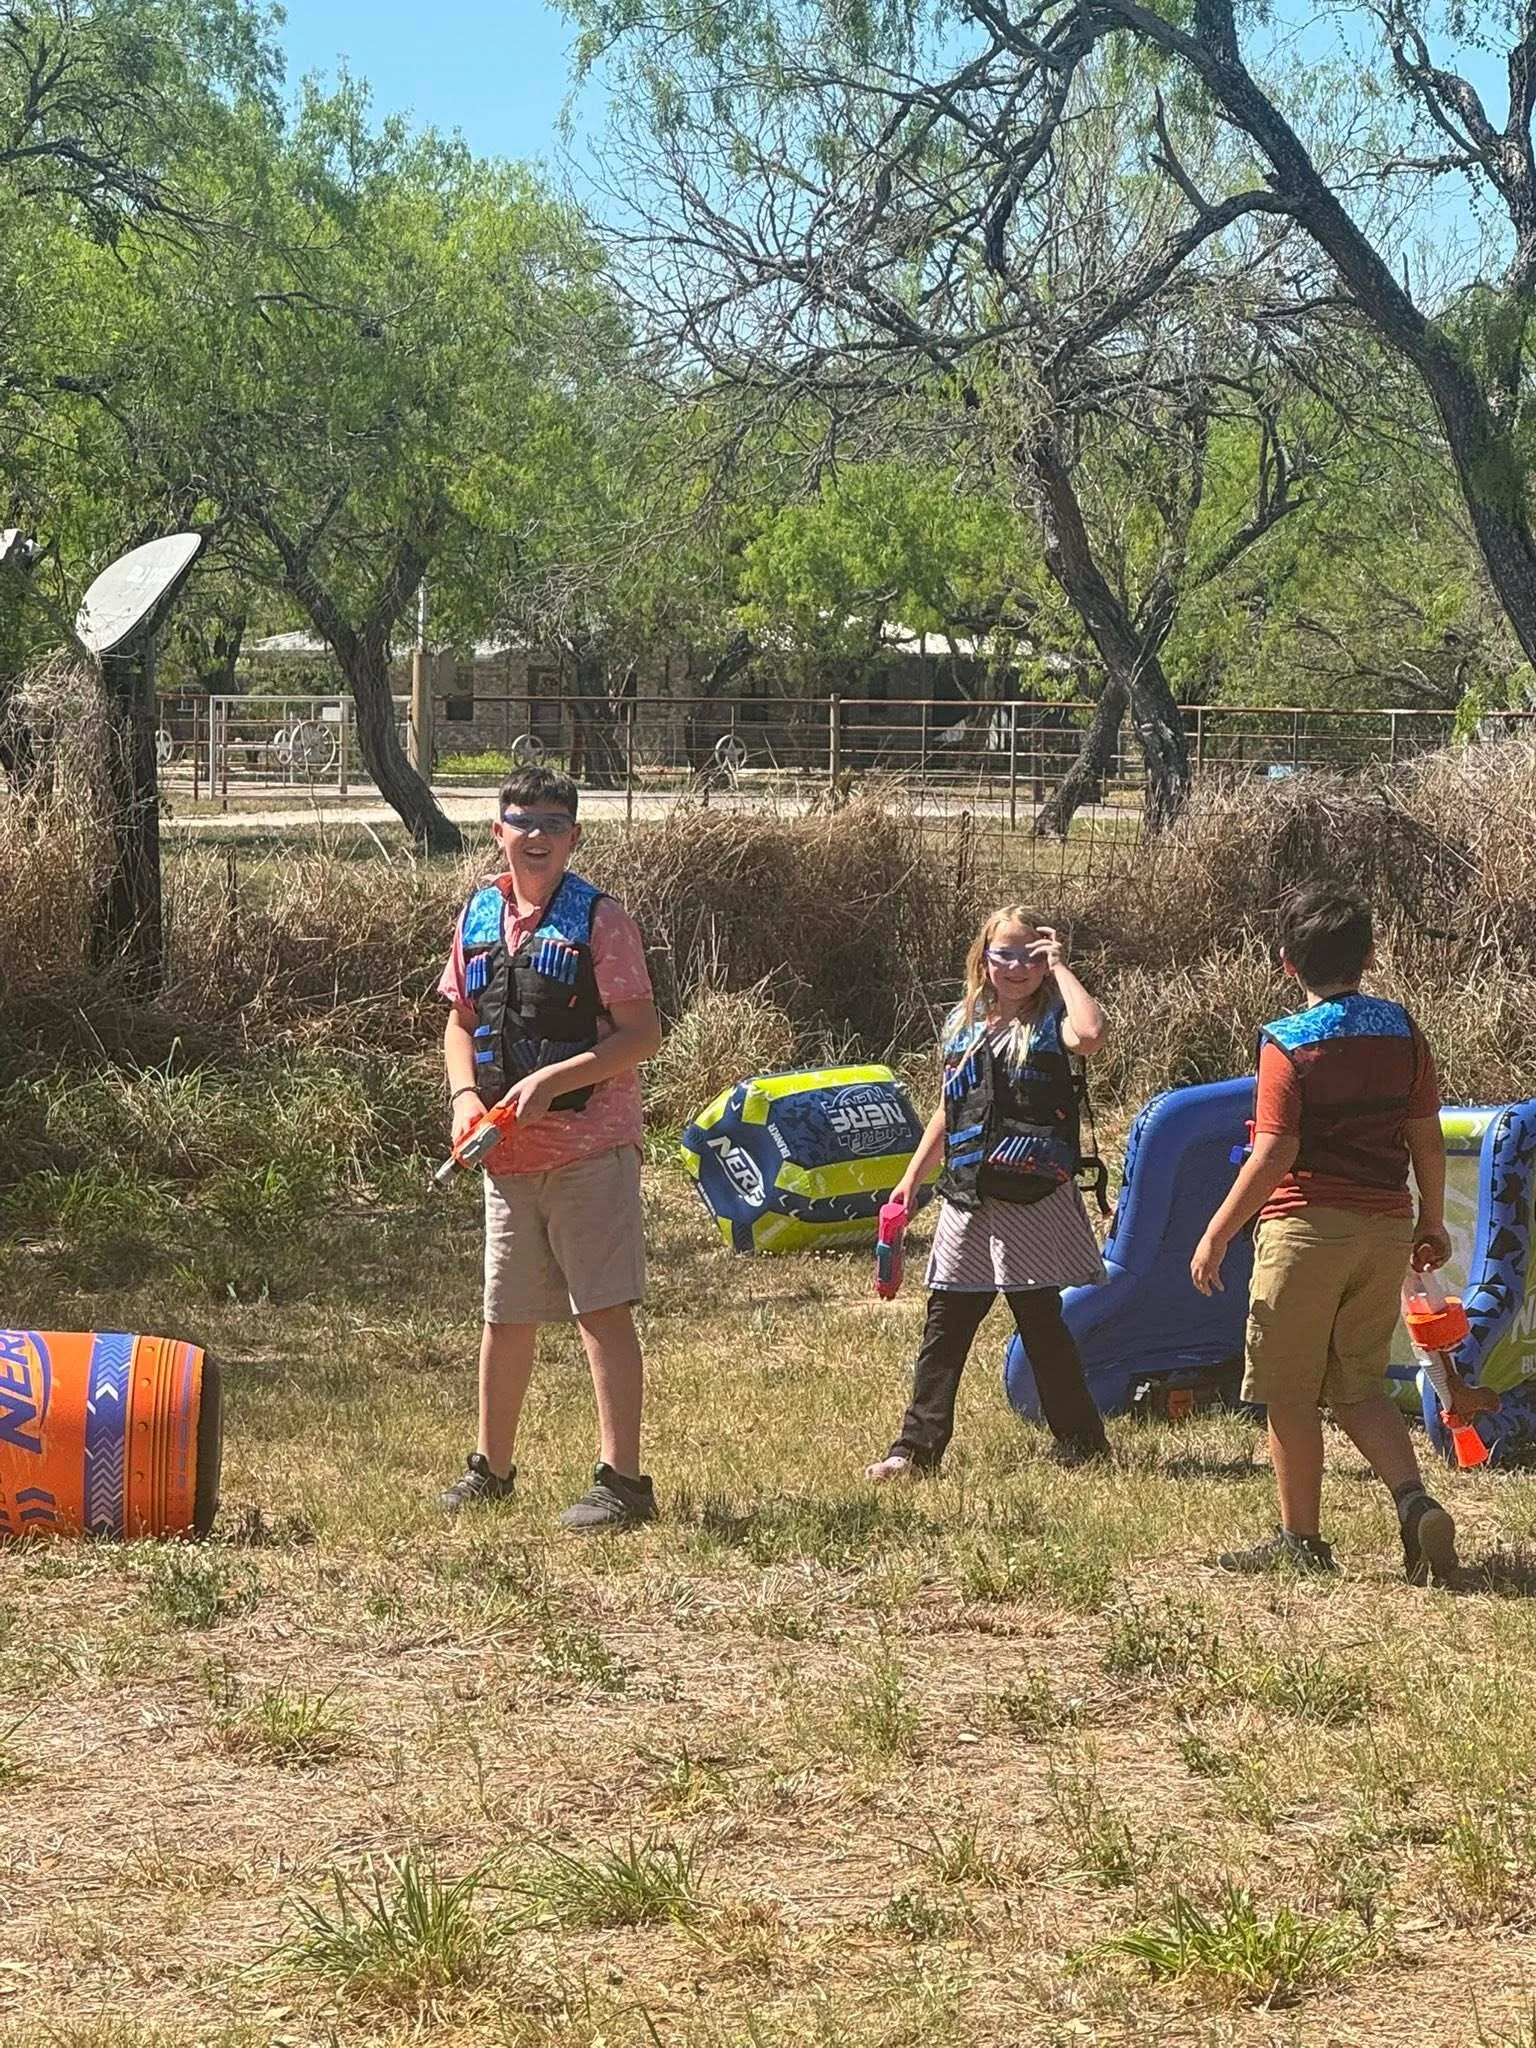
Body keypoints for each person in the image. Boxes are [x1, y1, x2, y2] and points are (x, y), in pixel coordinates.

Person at [1191, 880, 1464, 1584]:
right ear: (1369, 957)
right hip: (1385, 1229)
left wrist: (1218, 1230)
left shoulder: (1287, 1043)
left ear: (1288, 963)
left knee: (1289, 1391)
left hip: (1306, 1230)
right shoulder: (1402, 1032)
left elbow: (1275, 1151)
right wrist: (1431, 1218)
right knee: (1359, 1386)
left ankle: (1302, 1541)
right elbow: (1425, 1136)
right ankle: (1413, 1502)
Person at [437, 765, 662, 1531]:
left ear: (573, 837)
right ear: (497, 832)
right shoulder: (477, 915)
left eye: (553, 824)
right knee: (505, 1316)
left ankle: (623, 1483)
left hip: (589, 1150)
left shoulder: (602, 920)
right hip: (505, 1159)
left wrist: (554, 1080)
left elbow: (642, 1035)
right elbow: (461, 1022)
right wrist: (466, 1099)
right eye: (522, 821)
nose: (537, 836)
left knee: (601, 1310)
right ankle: (491, 1470)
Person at [866, 908, 1110, 1480]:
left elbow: (1092, 1035)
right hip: (968, 1194)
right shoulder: (963, 1023)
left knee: (1040, 1322)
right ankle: (914, 1451)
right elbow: (950, 1110)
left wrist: (1062, 968)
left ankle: (1082, 1442)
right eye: (1006, 956)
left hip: (1032, 1196)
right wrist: (911, 1179)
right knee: (945, 1323)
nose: (1017, 968)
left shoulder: (1054, 1019)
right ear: (984, 960)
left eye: (1031, 956)